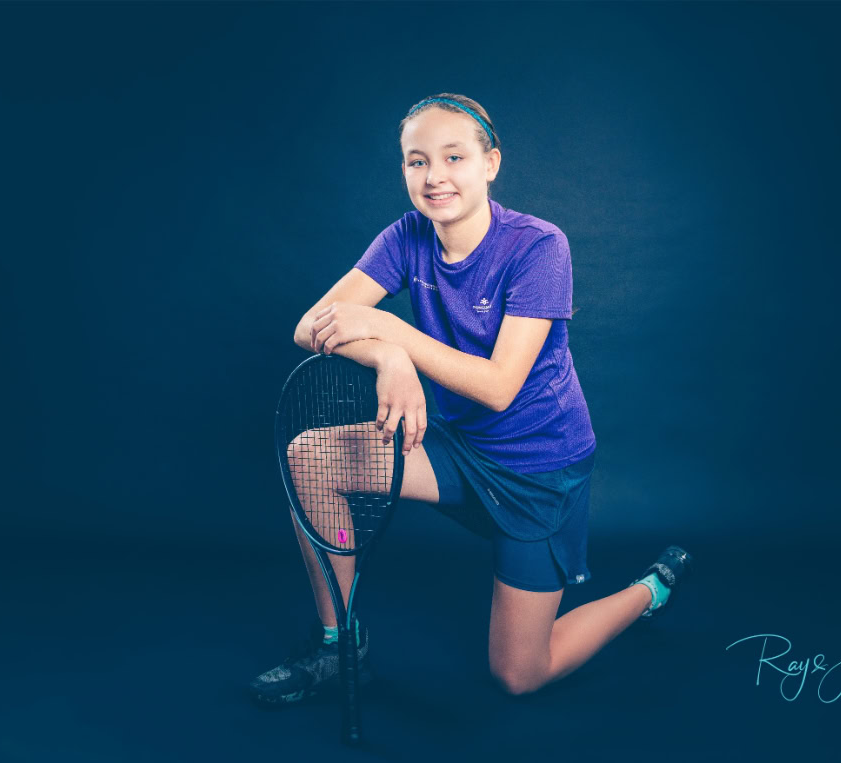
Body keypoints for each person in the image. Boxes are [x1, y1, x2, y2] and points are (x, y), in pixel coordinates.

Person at [250, 93, 693, 704]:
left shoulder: (539, 246)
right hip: (455, 447)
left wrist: (394, 334)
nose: (435, 177)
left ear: (491, 164)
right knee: (310, 457)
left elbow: (498, 386)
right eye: (416, 161)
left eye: (454, 157)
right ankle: (340, 643)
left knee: (519, 675)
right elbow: (310, 326)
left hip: (537, 468)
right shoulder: (407, 237)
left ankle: (651, 590)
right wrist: (387, 357)